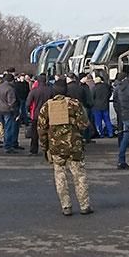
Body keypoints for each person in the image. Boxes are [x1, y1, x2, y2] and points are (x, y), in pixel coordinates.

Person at [37, 79, 92, 216]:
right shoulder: (74, 104)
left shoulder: (46, 107)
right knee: (79, 176)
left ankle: (66, 206)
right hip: (74, 146)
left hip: (56, 147)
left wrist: (45, 147)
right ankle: (84, 205)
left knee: (60, 175)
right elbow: (84, 124)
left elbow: (41, 129)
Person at [26, 74, 53, 155]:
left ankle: (33, 150)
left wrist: (28, 111)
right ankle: (48, 149)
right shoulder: (51, 90)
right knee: (48, 132)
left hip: (36, 114)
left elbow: (28, 103)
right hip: (48, 114)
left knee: (34, 133)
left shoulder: (34, 91)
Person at [0, 73, 21, 154]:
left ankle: (6, 144)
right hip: (8, 110)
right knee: (9, 129)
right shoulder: (10, 89)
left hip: (0, 109)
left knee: (4, 128)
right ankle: (8, 146)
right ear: (12, 80)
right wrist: (15, 111)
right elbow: (12, 102)